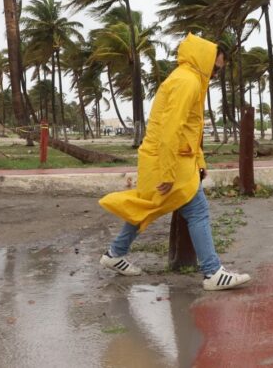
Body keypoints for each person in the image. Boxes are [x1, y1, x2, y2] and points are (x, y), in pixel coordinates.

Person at [98, 33, 251, 291]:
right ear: (205, 60)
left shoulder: (188, 79)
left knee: (147, 206)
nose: (215, 75)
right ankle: (212, 272)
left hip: (170, 158)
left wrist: (199, 162)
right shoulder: (187, 82)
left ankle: (114, 254)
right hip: (167, 160)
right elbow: (170, 129)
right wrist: (168, 173)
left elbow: (191, 128)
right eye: (215, 68)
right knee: (197, 210)